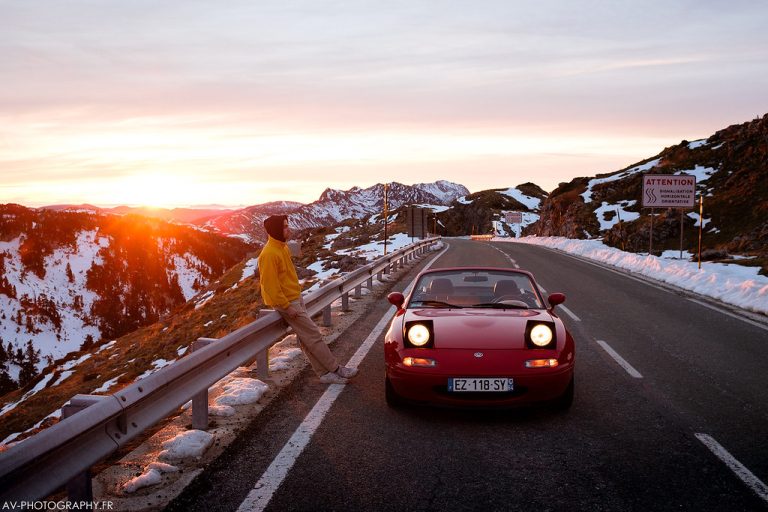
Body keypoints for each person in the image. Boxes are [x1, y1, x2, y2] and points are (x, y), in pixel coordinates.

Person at [258, 215, 358, 384]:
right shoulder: (268, 254)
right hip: (288, 304)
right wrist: (287, 307)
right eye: (284, 227)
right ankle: (336, 369)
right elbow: (270, 287)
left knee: (307, 339)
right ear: (276, 230)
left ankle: (324, 374)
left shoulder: (282, 248)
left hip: (295, 298)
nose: (288, 229)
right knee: (313, 335)